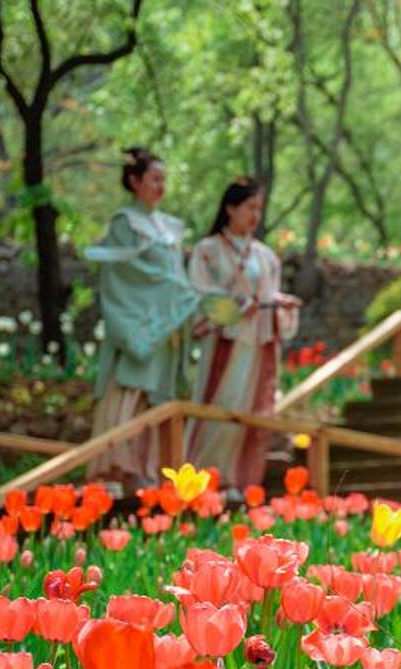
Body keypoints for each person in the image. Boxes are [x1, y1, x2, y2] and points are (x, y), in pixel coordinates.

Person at [84, 147, 198, 485]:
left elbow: (175, 275)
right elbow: (126, 275)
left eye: (164, 180)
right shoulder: (124, 223)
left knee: (160, 395)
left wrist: (180, 298)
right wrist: (174, 292)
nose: (160, 186)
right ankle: (118, 468)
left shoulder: (170, 227)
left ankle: (154, 470)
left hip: (169, 326)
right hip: (141, 322)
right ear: (134, 181)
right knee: (131, 390)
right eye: (154, 179)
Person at [184, 177, 301, 490]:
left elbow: (269, 294)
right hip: (225, 343)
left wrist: (280, 303)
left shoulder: (265, 256)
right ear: (230, 208)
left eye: (259, 209)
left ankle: (239, 479)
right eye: (250, 207)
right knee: (219, 408)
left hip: (257, 344)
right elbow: (199, 295)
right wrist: (235, 307)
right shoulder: (207, 251)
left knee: (251, 412)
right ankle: (203, 476)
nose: (255, 215)